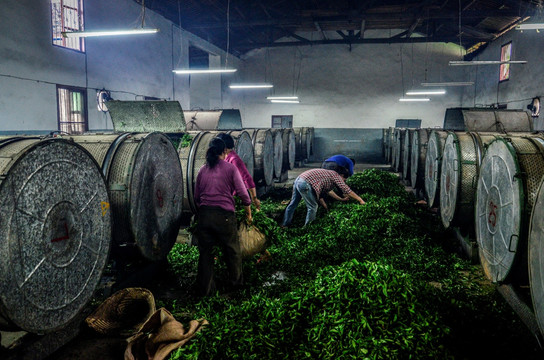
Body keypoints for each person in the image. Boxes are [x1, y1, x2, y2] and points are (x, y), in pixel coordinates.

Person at [194, 137, 252, 296]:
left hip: (204, 216)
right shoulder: (230, 168)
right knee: (232, 250)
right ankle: (235, 287)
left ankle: (205, 291)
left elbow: (197, 197)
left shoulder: (202, 169)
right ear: (224, 151)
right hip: (224, 217)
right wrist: (248, 210)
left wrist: (204, 211)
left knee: (206, 255)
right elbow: (242, 192)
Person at [282, 168, 365, 227]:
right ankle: (308, 228)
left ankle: (285, 224)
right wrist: (360, 200)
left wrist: (341, 199)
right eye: (344, 180)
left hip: (298, 180)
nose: (344, 181)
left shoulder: (328, 175)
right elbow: (346, 189)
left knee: (293, 204)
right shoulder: (336, 176)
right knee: (313, 207)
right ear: (342, 175)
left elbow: (328, 192)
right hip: (305, 183)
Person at [217, 132, 261, 210]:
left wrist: (254, 199)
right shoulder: (224, 158)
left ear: (224, 147)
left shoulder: (234, 160)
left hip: (232, 198)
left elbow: (247, 178)